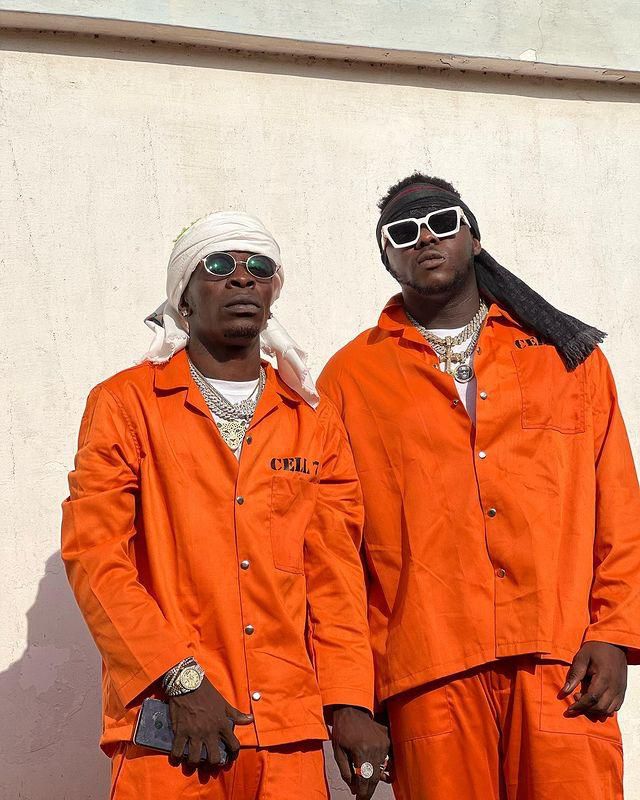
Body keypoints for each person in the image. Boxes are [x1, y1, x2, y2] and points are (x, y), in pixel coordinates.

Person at [318, 174, 640, 800]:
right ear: (385, 259)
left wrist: (615, 632)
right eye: (403, 232)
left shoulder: (565, 356)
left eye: (442, 223)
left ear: (474, 237)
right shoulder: (350, 380)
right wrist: (349, 698)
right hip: (427, 670)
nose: (425, 239)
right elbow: (334, 552)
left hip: (560, 660)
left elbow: (619, 508)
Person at [62, 211, 389, 800]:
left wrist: (349, 703)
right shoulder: (126, 405)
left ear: (272, 292)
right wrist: (180, 679)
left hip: (286, 727)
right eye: (218, 265)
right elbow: (94, 556)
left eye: (258, 267)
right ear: (183, 296)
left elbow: (334, 574)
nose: (242, 278)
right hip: (170, 728)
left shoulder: (312, 420)